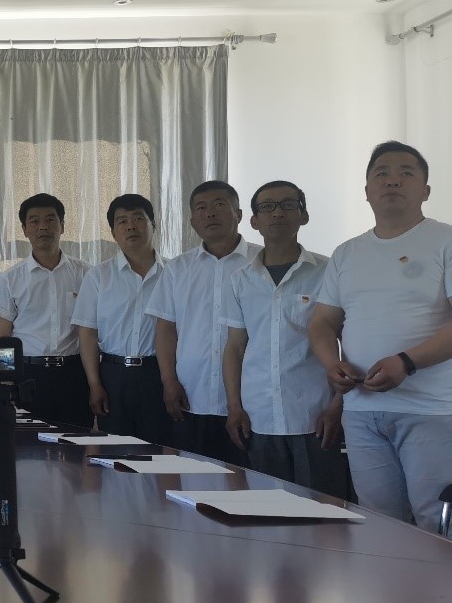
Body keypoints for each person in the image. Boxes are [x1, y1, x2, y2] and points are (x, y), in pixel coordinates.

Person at [309, 142, 452, 532]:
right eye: (382, 173)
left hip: (432, 410)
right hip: (361, 410)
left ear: (426, 189)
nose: (393, 180)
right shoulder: (347, 252)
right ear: (367, 190)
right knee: (378, 522)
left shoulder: (444, 240)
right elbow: (322, 322)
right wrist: (331, 364)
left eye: (406, 173)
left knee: (435, 522)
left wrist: (406, 362)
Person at [222, 181, 350, 498]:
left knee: (321, 510)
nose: (277, 212)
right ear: (254, 221)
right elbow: (235, 348)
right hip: (258, 417)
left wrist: (338, 406)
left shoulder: (328, 272)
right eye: (267, 206)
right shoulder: (239, 280)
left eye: (288, 204)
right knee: (267, 510)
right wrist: (234, 407)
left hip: (315, 417)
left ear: (303, 215)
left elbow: (348, 343)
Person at [146, 180, 259, 465]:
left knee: (248, 483)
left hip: (252, 399)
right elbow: (166, 330)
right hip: (191, 395)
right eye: (201, 208)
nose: (210, 213)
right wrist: (168, 381)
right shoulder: (177, 269)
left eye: (220, 205)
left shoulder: (261, 262)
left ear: (238, 214)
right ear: (192, 221)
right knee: (194, 481)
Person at [72, 194, 167, 442]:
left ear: (153, 225)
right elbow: (87, 334)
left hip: (159, 374)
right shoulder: (98, 276)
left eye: (138, 218)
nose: (131, 226)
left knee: (160, 448)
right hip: (113, 376)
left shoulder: (173, 274)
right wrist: (94, 384)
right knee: (114, 450)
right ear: (114, 233)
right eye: (122, 221)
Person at [0, 194, 92, 426]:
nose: (43, 227)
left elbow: (92, 331)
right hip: (28, 375)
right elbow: (2, 337)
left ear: (62, 226)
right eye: (34, 221)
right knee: (28, 444)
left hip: (74, 373)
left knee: (75, 440)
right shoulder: (10, 279)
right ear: (24, 230)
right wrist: (5, 386)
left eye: (50, 220)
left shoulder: (86, 274)